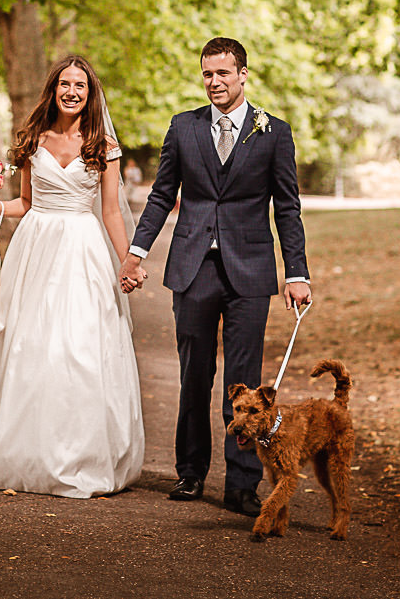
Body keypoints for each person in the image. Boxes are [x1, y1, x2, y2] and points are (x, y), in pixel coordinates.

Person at [0, 56, 144, 498]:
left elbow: (110, 210)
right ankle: (19, 448)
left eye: (81, 86)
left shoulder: (102, 144)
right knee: (26, 344)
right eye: (64, 84)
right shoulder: (34, 138)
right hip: (35, 249)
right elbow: (27, 202)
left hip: (81, 249)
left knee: (77, 346)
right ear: (53, 89)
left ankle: (76, 454)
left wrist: (127, 260)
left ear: (91, 94)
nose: (72, 92)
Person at [118, 38, 312, 518]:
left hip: (250, 272)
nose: (215, 82)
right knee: (194, 375)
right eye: (208, 74)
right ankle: (190, 472)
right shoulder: (183, 128)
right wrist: (137, 251)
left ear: (243, 74)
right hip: (192, 268)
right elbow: (163, 195)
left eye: (224, 73)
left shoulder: (275, 133)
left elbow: (287, 206)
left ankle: (242, 485)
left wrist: (298, 273)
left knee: (245, 383)